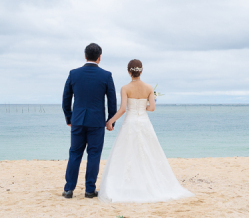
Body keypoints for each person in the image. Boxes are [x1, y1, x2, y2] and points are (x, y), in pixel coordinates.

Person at [98, 59, 193, 203]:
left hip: (130, 123)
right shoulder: (148, 88)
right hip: (144, 123)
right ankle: (147, 184)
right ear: (141, 71)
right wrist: (145, 106)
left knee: (127, 153)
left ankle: (128, 185)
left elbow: (123, 109)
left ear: (129, 72)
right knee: (147, 153)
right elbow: (152, 108)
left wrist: (110, 120)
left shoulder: (125, 88)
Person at [61, 43, 117, 199]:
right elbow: (112, 100)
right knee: (94, 155)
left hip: (78, 120)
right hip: (96, 121)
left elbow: (66, 98)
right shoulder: (106, 75)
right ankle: (89, 190)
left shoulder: (74, 74)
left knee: (75, 153)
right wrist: (111, 120)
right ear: (99, 57)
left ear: (85, 56)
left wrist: (69, 117)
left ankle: (68, 189)